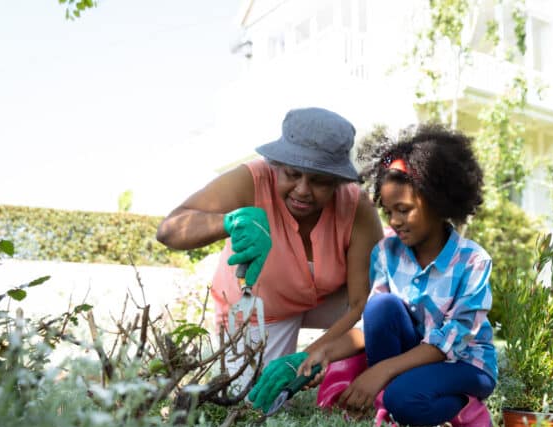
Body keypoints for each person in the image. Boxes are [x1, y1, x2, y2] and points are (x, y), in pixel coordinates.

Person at [250, 124, 497, 427]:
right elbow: (372, 329)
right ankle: (390, 398)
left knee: (404, 401)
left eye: (403, 210)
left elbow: (450, 342)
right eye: (388, 211)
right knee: (381, 308)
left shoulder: (472, 261)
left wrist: (378, 373)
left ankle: (466, 408)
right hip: (411, 361)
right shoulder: (385, 253)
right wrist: (315, 355)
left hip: (464, 363)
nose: (394, 221)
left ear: (438, 201)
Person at [156, 107, 384, 375]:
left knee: (383, 314)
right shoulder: (251, 180)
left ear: (337, 181)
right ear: (277, 166)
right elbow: (168, 230)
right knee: (255, 401)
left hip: (330, 303)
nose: (302, 190)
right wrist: (228, 222)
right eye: (292, 174)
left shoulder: (356, 206)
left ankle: (359, 370)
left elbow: (361, 303)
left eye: (319, 181)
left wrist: (310, 356)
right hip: (263, 308)